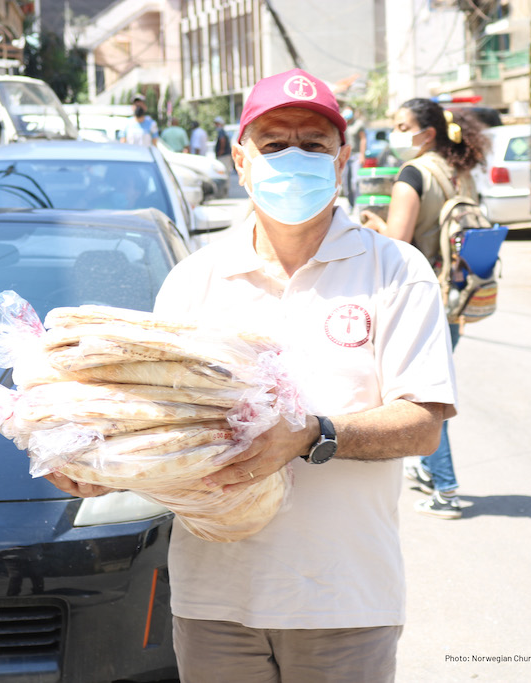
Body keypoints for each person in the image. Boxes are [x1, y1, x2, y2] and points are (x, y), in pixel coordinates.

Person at [46, 68, 457, 682]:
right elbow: (158, 422)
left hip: (344, 600)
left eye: (313, 144)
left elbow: (422, 425)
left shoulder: (395, 270)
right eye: (274, 143)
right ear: (241, 160)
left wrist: (313, 434)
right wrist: (99, 468)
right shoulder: (197, 279)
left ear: (341, 159)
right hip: (215, 601)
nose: (294, 157)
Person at [359, 98, 488, 520]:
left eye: (401, 127)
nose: (396, 135)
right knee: (435, 383)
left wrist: (372, 226)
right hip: (458, 294)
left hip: (424, 297)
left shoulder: (413, 175)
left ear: (426, 133)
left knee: (426, 400)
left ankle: (446, 490)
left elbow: (398, 246)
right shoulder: (459, 172)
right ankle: (430, 470)